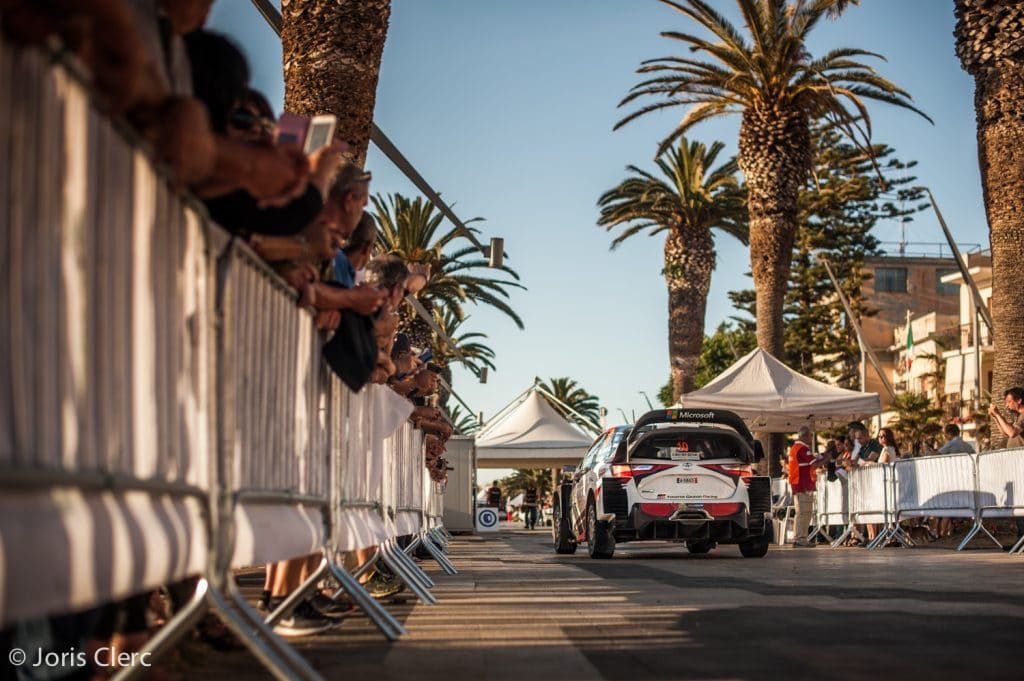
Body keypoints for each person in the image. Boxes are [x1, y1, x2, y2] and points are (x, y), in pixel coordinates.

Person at [988, 387, 1024, 548]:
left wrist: (998, 414)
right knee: (1019, 503)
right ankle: (1020, 540)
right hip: (1017, 466)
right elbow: (1006, 432)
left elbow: (1011, 433)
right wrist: (995, 417)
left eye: (1009, 401)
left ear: (1019, 400)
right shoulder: (1019, 417)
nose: (1007, 406)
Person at [786, 426, 824, 548]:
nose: (811, 438)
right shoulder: (803, 449)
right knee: (805, 512)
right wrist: (827, 458)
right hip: (804, 485)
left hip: (796, 484)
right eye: (811, 436)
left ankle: (798, 537)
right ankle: (801, 538)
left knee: (799, 512)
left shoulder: (794, 448)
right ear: (806, 435)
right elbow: (815, 465)